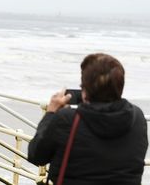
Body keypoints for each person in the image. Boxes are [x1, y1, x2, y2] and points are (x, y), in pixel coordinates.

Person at [28, 53, 148, 185]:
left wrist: (51, 113)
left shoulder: (67, 119)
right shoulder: (137, 117)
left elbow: (36, 155)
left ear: (85, 91)